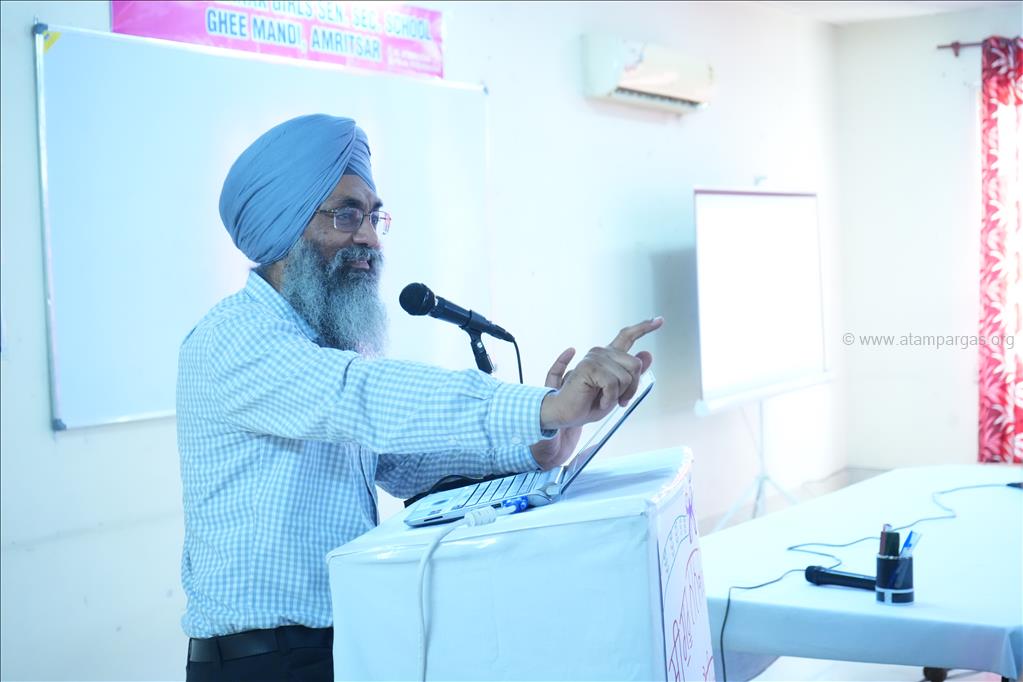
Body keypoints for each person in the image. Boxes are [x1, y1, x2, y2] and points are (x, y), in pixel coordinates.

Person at [177, 114, 662, 681]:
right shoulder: (234, 338)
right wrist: (541, 406)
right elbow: (363, 396)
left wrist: (540, 444)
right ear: (284, 229)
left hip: (344, 643)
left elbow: (406, 463)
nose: (369, 237)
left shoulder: (319, 345)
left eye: (373, 216)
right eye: (346, 215)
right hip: (262, 666)